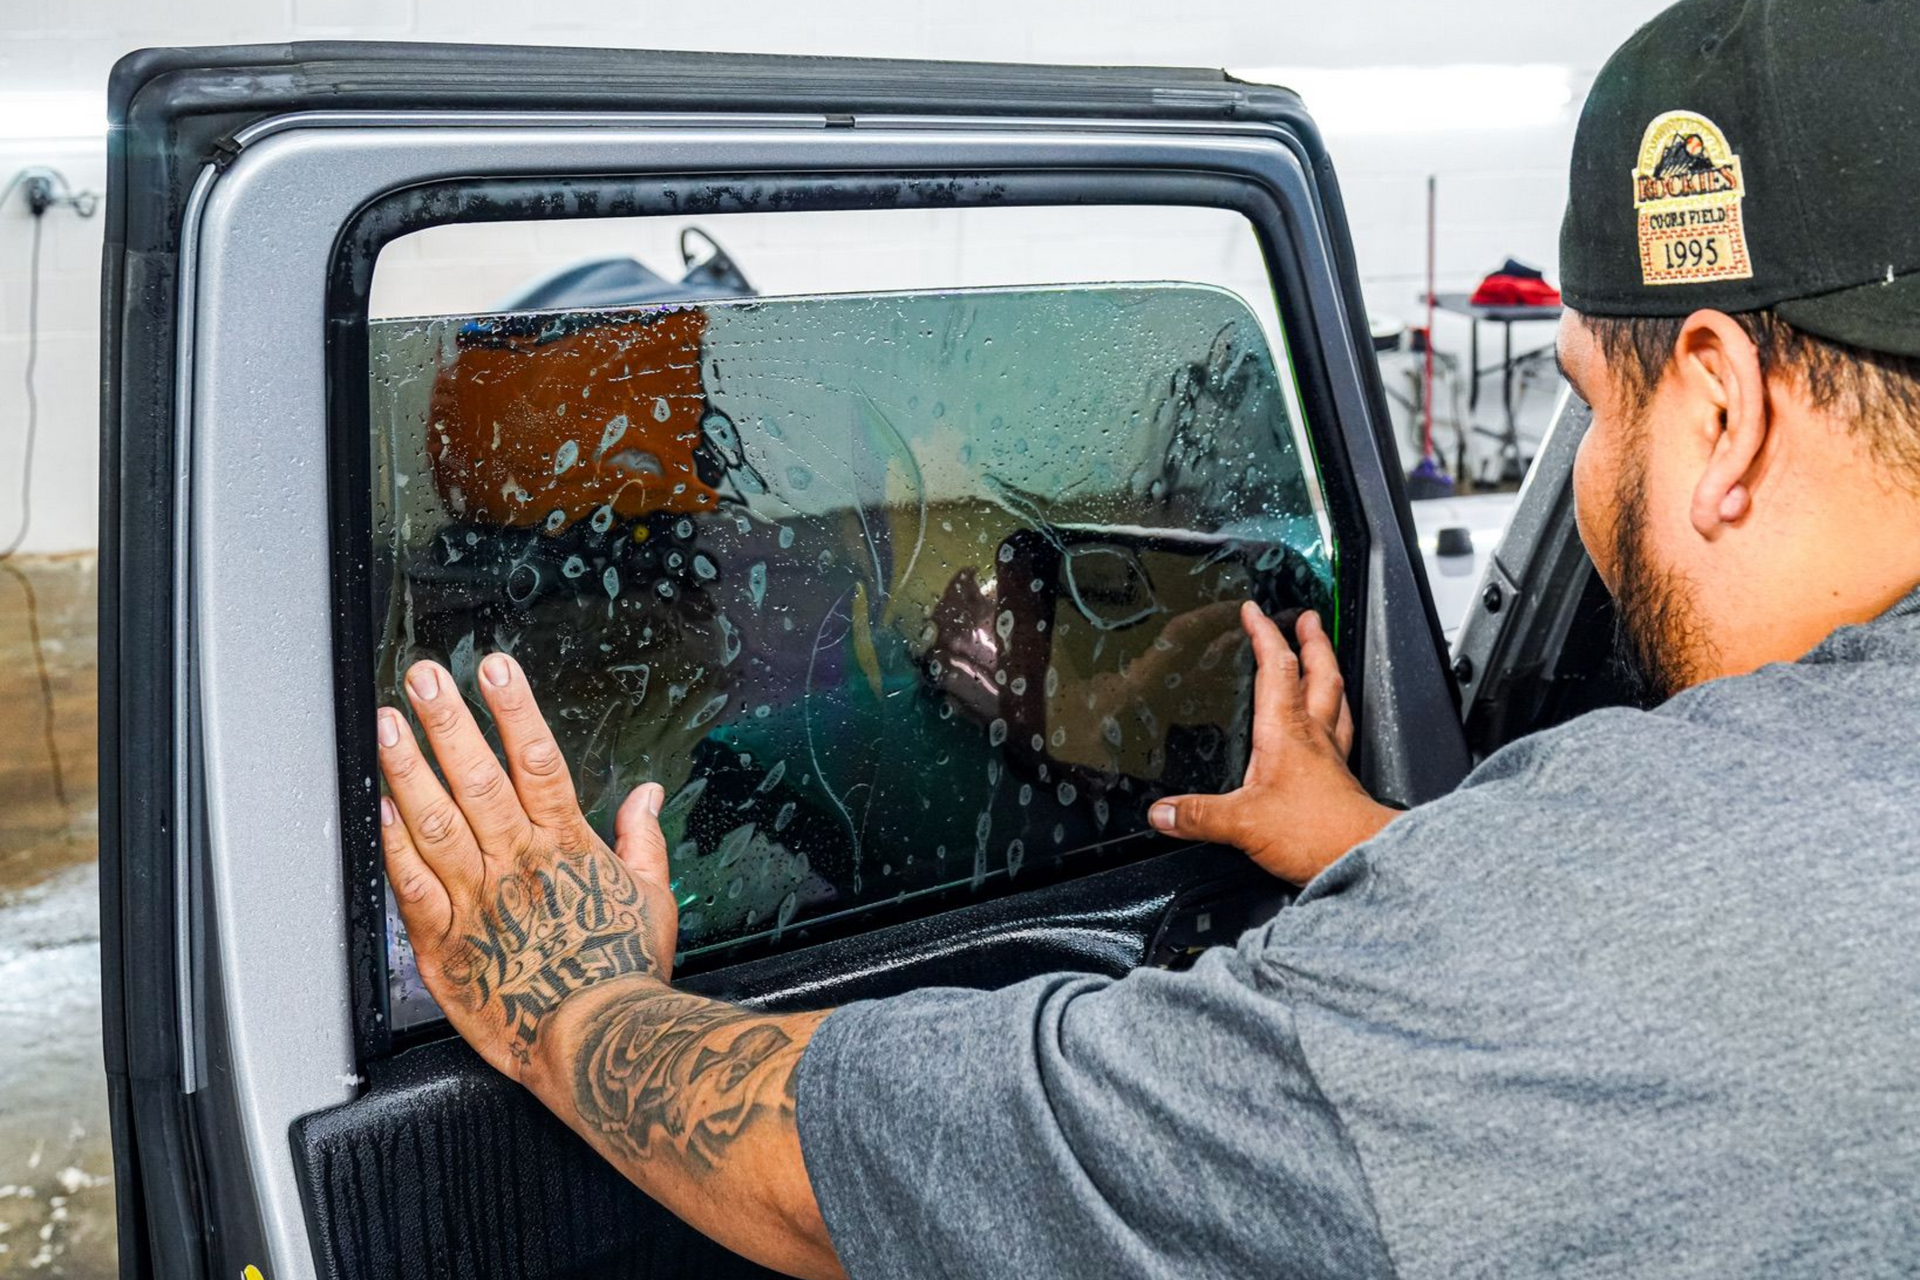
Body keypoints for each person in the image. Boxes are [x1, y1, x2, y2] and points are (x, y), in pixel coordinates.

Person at [370, 0, 1920, 1274]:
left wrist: (573, 1009)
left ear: (1719, 411)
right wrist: (1375, 839)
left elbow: (933, 1166)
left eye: (1593, 400)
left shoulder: (1613, 926)